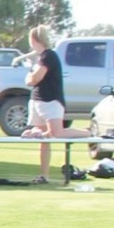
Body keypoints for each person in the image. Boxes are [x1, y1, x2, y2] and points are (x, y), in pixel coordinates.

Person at [20, 25, 66, 183]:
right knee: (42, 137)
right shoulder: (39, 58)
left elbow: (34, 78)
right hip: (37, 101)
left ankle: (88, 133)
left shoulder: (48, 56)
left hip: (50, 101)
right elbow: (30, 79)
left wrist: (30, 77)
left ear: (35, 40)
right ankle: (44, 175)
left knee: (56, 133)